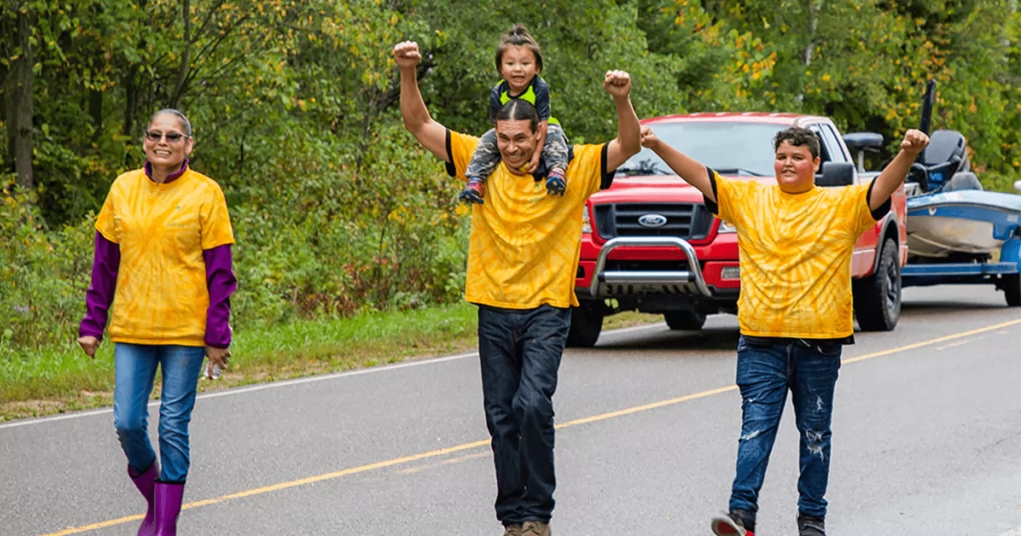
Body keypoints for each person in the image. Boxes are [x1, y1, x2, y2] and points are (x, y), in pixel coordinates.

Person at [393, 39, 640, 536]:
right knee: (501, 417)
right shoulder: (479, 161)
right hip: (493, 308)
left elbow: (628, 145)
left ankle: (538, 513)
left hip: (546, 310)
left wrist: (621, 100)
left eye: (520, 139)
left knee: (531, 406)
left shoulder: (571, 167)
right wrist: (407, 72)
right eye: (503, 138)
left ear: (540, 132)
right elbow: (419, 124)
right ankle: (513, 519)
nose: (510, 148)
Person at [640, 125, 929, 536]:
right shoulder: (748, 198)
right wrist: (657, 146)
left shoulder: (840, 203)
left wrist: (907, 154)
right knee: (754, 430)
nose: (787, 164)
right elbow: (700, 176)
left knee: (815, 436)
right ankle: (742, 516)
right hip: (761, 341)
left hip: (819, 343)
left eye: (797, 157)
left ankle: (812, 520)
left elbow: (881, 188)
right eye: (781, 157)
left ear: (816, 163)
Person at [77, 109, 237, 536]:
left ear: (189, 144)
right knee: (128, 423)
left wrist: (217, 335)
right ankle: (158, 502)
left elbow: (221, 273)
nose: (162, 142)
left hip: (185, 331)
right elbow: (104, 265)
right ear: (145, 141)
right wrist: (92, 323)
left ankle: (164, 527)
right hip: (133, 327)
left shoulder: (206, 193)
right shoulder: (123, 188)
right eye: (154, 134)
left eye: (173, 136)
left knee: (172, 426)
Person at [459, 24, 570, 204]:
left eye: (525, 64)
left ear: (536, 67)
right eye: (510, 64)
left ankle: (557, 171)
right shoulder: (497, 92)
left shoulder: (540, 87)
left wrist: (536, 155)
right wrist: (505, 157)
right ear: (500, 68)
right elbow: (497, 128)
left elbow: (542, 123)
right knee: (486, 139)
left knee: (555, 133)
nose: (518, 69)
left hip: (540, 127)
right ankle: (476, 179)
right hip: (509, 132)